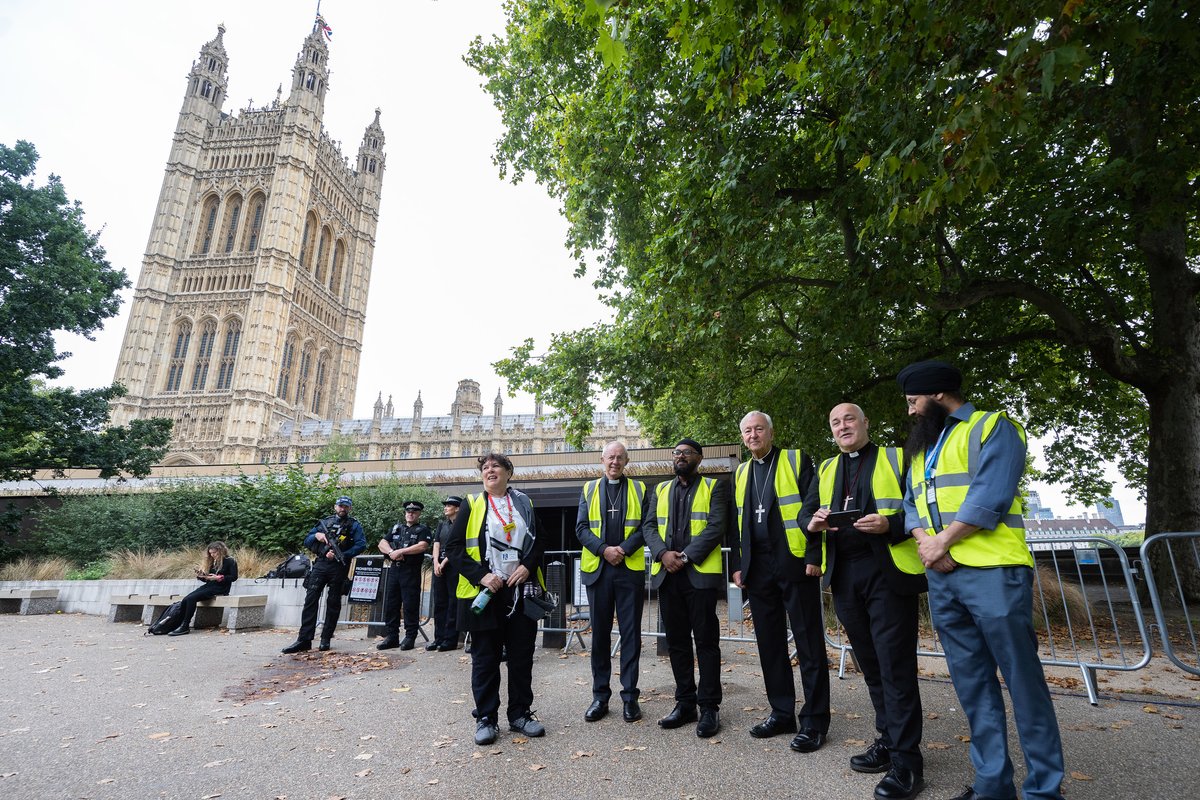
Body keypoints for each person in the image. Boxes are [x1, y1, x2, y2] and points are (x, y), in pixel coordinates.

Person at [898, 360, 1065, 800]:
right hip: (944, 579)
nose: (912, 412)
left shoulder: (993, 427)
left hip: (993, 573)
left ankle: (1043, 791)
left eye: (915, 401)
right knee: (972, 687)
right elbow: (911, 506)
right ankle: (993, 787)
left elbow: (990, 495)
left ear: (936, 395)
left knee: (1023, 684)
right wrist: (926, 543)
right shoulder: (923, 447)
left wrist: (942, 544)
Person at [801, 403, 927, 800]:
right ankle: (888, 741)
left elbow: (923, 507)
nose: (842, 426)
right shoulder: (825, 468)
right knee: (871, 666)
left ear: (865, 423)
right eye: (835, 422)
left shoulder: (896, 456)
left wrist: (890, 523)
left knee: (895, 666)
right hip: (844, 576)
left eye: (849, 419)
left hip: (887, 573)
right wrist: (814, 522)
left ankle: (908, 764)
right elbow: (807, 513)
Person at [728, 411, 829, 752]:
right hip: (757, 568)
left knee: (809, 643)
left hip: (794, 562)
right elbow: (739, 521)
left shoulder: (795, 459)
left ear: (771, 431)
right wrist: (739, 565)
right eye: (747, 431)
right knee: (769, 644)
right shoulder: (741, 471)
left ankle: (815, 721)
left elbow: (815, 509)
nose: (753, 435)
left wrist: (815, 556)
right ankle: (782, 711)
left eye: (758, 428)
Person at [445, 453, 547, 746]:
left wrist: (528, 564)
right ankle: (486, 718)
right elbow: (454, 548)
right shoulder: (472, 504)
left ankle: (520, 714)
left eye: (495, 466)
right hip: (486, 592)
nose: (489, 471)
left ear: (508, 472)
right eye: (485, 468)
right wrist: (481, 575)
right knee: (485, 659)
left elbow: (541, 539)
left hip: (520, 589)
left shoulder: (524, 503)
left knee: (521, 657)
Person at [642, 438, 729, 738]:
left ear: (699, 458)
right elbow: (649, 526)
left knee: (706, 642)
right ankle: (685, 703)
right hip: (668, 576)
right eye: (676, 453)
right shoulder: (660, 490)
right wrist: (663, 554)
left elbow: (716, 526)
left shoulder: (714, 488)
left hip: (699, 576)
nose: (680, 457)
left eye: (686, 453)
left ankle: (709, 707)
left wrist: (686, 556)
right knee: (677, 643)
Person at [575, 441, 653, 723]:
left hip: (628, 569)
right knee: (600, 637)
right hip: (599, 569)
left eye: (620, 457)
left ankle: (630, 697)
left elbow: (646, 526)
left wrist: (622, 550)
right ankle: (600, 697)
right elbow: (581, 528)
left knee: (631, 635)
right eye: (610, 457)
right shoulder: (588, 489)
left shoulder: (640, 489)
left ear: (627, 460)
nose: (615, 462)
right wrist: (604, 550)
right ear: (602, 459)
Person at [282, 496, 367, 654]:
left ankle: (325, 639)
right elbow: (307, 540)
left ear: (350, 509)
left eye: (346, 507)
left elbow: (361, 544)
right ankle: (304, 639)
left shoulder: (354, 525)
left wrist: (343, 554)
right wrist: (318, 537)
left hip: (339, 566)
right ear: (335, 507)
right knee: (310, 600)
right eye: (341, 506)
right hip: (321, 565)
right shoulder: (325, 523)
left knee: (333, 603)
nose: (343, 509)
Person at [377, 500, 433, 651]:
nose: (410, 514)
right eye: (408, 511)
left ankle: (410, 637)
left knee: (410, 605)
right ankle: (392, 636)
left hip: (410, 571)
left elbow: (422, 546)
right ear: (405, 513)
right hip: (395, 569)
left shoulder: (423, 530)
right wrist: (391, 553)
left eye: (414, 512)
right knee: (391, 604)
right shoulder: (396, 528)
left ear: (419, 514)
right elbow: (382, 543)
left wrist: (400, 551)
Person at [167, 541, 238, 636]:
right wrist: (202, 576)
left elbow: (234, 577)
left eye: (214, 552)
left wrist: (218, 578)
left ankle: (185, 626)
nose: (212, 555)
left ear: (221, 551)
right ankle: (179, 624)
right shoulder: (212, 561)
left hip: (221, 588)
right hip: (209, 586)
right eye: (211, 553)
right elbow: (208, 580)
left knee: (192, 598)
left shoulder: (230, 561)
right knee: (186, 599)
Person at [427, 495, 463, 651]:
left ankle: (450, 640)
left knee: (452, 603)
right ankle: (438, 638)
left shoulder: (462, 525)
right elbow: (436, 545)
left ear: (457, 508)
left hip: (453, 566)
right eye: (446, 505)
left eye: (449, 505)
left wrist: (444, 562)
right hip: (439, 567)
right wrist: (435, 562)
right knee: (440, 603)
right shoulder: (442, 525)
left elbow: (458, 546)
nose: (445, 507)